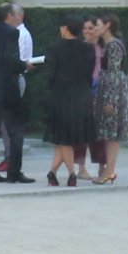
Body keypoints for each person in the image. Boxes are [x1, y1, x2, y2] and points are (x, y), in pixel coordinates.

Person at [0, 3, 37, 183]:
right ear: (9, 16)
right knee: (15, 131)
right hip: (7, 88)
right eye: (17, 14)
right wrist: (24, 65)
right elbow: (10, 59)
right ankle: (14, 172)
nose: (20, 18)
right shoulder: (12, 33)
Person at [43, 15, 98, 186]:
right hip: (82, 95)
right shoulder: (88, 49)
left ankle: (71, 174)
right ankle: (52, 173)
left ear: (65, 28)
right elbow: (89, 74)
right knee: (69, 138)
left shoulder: (55, 48)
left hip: (61, 96)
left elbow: (50, 75)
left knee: (63, 138)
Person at [93, 12, 128, 184]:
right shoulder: (107, 45)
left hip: (113, 93)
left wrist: (110, 100)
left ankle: (110, 170)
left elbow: (114, 73)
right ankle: (108, 169)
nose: (96, 28)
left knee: (113, 133)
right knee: (109, 132)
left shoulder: (114, 46)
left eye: (98, 24)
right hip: (108, 90)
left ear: (107, 25)